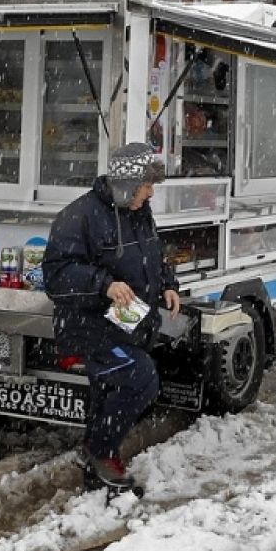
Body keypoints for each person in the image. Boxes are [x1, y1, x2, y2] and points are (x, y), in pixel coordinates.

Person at [44, 142, 181, 495]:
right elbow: (57, 275)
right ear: (127, 184)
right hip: (86, 324)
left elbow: (154, 255)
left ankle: (96, 467)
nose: (151, 194)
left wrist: (167, 285)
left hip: (123, 318)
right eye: (146, 186)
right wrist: (103, 285)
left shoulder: (138, 211)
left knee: (110, 388)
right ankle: (100, 451)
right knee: (141, 378)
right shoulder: (79, 217)